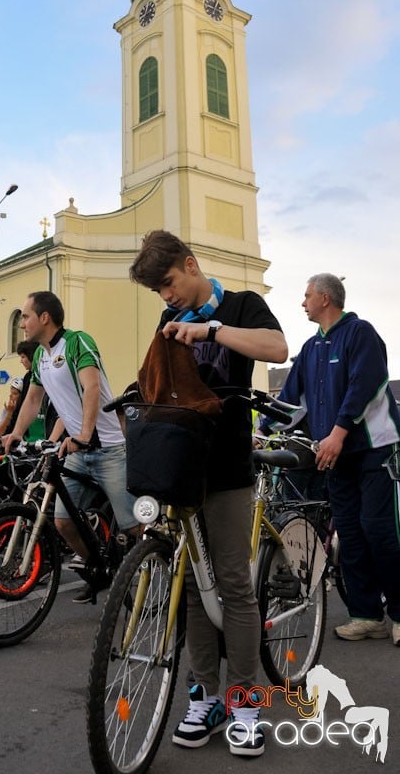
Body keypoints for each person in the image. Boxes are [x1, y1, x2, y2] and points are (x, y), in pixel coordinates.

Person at [129, 230, 288, 759]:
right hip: (181, 467)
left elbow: (277, 347)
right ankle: (207, 697)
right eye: (158, 292)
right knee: (195, 587)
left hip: (226, 465)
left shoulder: (243, 304)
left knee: (235, 585)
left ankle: (246, 704)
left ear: (191, 265)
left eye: (169, 284)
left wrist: (213, 331)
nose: (166, 297)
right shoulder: (166, 318)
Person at [268, 273, 400, 647]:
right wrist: (260, 428)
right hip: (333, 456)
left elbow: (368, 383)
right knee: (352, 536)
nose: (302, 302)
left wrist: (339, 432)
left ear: (326, 298)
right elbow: (291, 399)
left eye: (307, 295)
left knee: (380, 531)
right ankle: (366, 615)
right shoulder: (310, 348)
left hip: (374, 449)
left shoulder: (360, 333)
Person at [2, 291, 138, 604]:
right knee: (63, 522)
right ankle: (99, 568)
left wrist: (85, 433)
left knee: (133, 526)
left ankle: (158, 570)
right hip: (77, 451)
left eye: (25, 316)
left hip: (109, 450)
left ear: (44, 317)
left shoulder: (77, 342)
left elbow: (91, 387)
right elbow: (33, 398)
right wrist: (16, 433)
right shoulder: (40, 356)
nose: (22, 323)